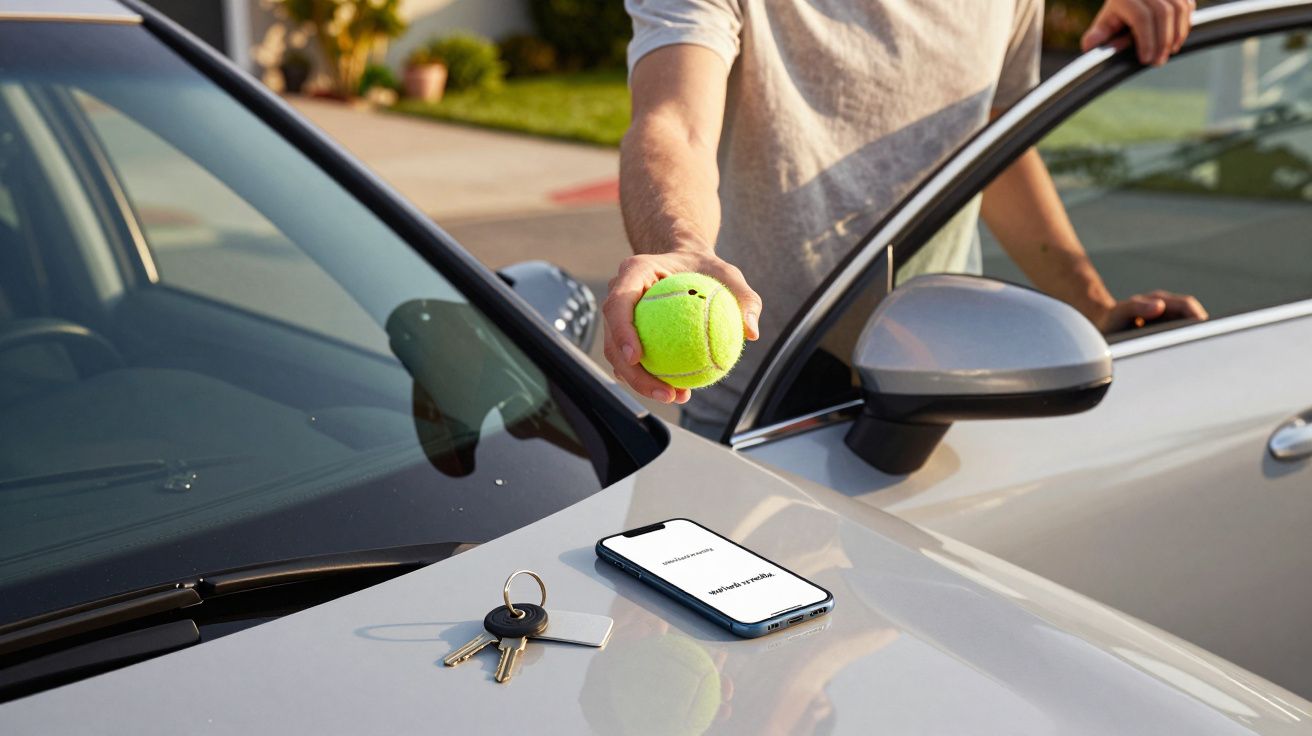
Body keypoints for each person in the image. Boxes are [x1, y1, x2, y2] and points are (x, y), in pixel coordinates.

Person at [602, 0, 1207, 438]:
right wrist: (681, 247)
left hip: (944, 386)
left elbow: (992, 147)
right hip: (765, 404)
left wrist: (1093, 305)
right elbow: (674, 121)